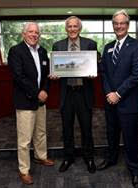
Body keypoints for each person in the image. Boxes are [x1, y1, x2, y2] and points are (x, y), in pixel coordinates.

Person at [97, 10, 138, 188]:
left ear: (128, 24)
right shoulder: (108, 46)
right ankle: (111, 159)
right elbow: (104, 73)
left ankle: (135, 170)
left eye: (122, 23)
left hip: (129, 102)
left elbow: (137, 75)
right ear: (113, 25)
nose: (119, 26)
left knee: (131, 138)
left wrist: (118, 94)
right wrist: (110, 93)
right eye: (116, 23)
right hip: (110, 102)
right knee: (111, 134)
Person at [8, 22, 54, 185]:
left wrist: (45, 91)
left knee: (40, 132)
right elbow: (18, 77)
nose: (34, 35)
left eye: (37, 32)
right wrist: (37, 93)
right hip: (25, 101)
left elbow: (47, 73)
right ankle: (24, 170)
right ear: (24, 34)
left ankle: (40, 156)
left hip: (41, 100)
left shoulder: (42, 51)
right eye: (31, 32)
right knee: (25, 139)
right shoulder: (16, 51)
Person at [50, 16, 97, 173]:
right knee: (66, 128)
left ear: (80, 28)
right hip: (67, 94)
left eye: (75, 26)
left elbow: (97, 62)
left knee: (86, 128)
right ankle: (68, 157)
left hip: (84, 93)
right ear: (66, 29)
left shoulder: (90, 44)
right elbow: (55, 67)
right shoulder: (58, 46)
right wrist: (54, 74)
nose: (72, 29)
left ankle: (89, 157)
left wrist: (93, 71)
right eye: (69, 26)